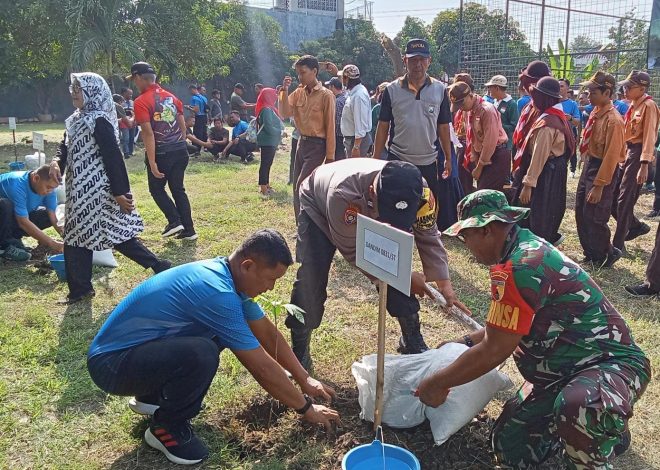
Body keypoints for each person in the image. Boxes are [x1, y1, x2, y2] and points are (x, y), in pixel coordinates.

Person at [418, 189, 651, 470]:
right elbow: (504, 328)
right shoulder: (517, 252)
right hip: (561, 372)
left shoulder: (523, 265)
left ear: (488, 230)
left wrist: (437, 383)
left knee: (578, 407)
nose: (465, 244)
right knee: (511, 447)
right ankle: (590, 423)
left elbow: (493, 351)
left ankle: (602, 426)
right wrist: (465, 340)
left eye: (466, 235)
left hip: (609, 366)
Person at [87, 229, 341, 465]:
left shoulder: (226, 277)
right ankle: (167, 428)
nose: (270, 288)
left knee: (212, 338)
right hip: (112, 366)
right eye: (270, 279)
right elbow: (260, 366)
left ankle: (151, 397)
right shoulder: (217, 293)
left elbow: (267, 333)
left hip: (134, 354)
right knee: (202, 351)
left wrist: (305, 379)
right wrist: (306, 408)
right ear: (248, 266)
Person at [287, 159, 469, 369]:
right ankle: (299, 353)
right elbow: (354, 250)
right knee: (311, 277)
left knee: (397, 266)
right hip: (318, 204)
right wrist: (403, 277)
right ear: (373, 192)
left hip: (361, 205)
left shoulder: (420, 190)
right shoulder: (343, 194)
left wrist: (444, 283)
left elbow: (428, 232)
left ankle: (411, 341)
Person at [50, 72, 171, 304]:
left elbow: (114, 158)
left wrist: (120, 193)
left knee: (115, 234)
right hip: (78, 190)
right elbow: (64, 146)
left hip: (99, 190)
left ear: (93, 92)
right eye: (73, 87)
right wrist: (57, 161)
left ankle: (159, 266)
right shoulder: (76, 119)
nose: (74, 92)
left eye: (79, 88)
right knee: (76, 236)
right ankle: (80, 290)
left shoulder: (99, 121)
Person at [373, 39, 453, 214]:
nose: (418, 64)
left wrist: (448, 157)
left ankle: (424, 240)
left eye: (422, 60)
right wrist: (376, 158)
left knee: (426, 211)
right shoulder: (392, 90)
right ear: (405, 61)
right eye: (413, 60)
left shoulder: (440, 90)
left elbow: (443, 127)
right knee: (395, 209)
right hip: (398, 159)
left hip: (429, 161)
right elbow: (383, 126)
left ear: (429, 61)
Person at [129, 62, 197, 241]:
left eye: (134, 80)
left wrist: (152, 162)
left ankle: (174, 221)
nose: (134, 84)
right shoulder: (173, 98)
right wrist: (181, 144)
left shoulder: (141, 102)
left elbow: (148, 133)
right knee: (178, 189)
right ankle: (189, 230)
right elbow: (182, 125)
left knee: (156, 189)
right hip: (180, 150)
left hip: (162, 153)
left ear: (138, 78)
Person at [509, 76, 575, 246]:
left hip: (546, 172)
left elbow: (539, 155)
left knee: (539, 211)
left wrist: (528, 184)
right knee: (548, 208)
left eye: (537, 96)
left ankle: (538, 247)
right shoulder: (554, 115)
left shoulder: (547, 124)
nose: (533, 99)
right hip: (553, 169)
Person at [575, 72, 626, 268]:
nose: (589, 95)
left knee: (595, 215)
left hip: (602, 169)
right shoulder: (596, 113)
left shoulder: (614, 120)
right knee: (581, 210)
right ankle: (590, 252)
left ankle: (606, 254)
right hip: (591, 165)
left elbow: (612, 156)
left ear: (607, 92)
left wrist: (599, 186)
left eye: (593, 91)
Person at [278, 55, 336, 222]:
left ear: (314, 71)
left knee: (302, 186)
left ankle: (310, 224)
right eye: (298, 73)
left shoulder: (326, 95)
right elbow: (284, 113)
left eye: (303, 72)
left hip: (317, 146)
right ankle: (301, 225)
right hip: (301, 144)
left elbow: (330, 127)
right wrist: (284, 90)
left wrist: (330, 157)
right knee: (297, 185)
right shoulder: (298, 93)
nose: (299, 77)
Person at [611, 71, 660, 252]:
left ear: (642, 88)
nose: (625, 90)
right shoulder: (632, 105)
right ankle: (636, 226)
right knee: (614, 197)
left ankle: (618, 244)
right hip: (628, 153)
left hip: (639, 155)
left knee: (625, 199)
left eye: (629, 87)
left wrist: (645, 164)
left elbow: (649, 136)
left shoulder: (649, 106)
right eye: (624, 86)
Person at [448, 81, 510, 192]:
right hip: (483, 156)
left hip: (496, 155)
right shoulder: (469, 111)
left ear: (470, 96)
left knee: (485, 197)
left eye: (462, 104)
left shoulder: (486, 110)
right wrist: (474, 155)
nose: (460, 108)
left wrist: (479, 168)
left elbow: (490, 142)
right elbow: (471, 136)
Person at [0, 166, 62, 261]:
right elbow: (22, 222)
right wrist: (52, 243)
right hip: (4, 214)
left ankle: (13, 240)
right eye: (48, 187)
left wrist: (69, 241)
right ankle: (4, 247)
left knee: (46, 216)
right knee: (5, 205)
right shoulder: (17, 184)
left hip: (12, 219)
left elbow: (54, 218)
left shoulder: (50, 190)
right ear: (36, 178)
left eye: (53, 188)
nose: (50, 191)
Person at [337, 64, 372, 157]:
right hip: (353, 139)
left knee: (356, 169)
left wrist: (356, 147)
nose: (342, 81)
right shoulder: (354, 92)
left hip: (357, 140)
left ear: (347, 79)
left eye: (343, 78)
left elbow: (360, 123)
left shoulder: (358, 96)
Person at [255, 88, 283, 196]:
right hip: (267, 140)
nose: (275, 97)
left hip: (270, 141)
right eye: (273, 95)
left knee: (268, 163)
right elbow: (268, 126)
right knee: (265, 164)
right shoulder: (266, 109)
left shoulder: (268, 108)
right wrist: (280, 132)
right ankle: (263, 187)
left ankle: (266, 184)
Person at [453, 73, 476, 196]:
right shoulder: (458, 103)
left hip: (469, 145)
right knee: (461, 177)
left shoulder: (471, 105)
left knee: (466, 178)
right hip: (460, 143)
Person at [486, 75, 519, 160]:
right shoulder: (494, 102)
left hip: (505, 146)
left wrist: (498, 126)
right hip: (493, 143)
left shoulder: (512, 104)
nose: (489, 90)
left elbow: (514, 126)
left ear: (497, 88)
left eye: (490, 87)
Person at [557, 79, 581, 177]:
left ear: (567, 88)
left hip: (568, 134)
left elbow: (577, 122)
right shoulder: (552, 102)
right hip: (555, 134)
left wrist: (570, 118)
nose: (559, 88)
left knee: (569, 155)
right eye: (558, 86)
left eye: (562, 86)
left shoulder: (572, 104)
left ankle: (572, 169)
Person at [325, 77, 346, 160]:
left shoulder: (336, 102)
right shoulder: (345, 98)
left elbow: (335, 122)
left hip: (337, 138)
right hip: (345, 136)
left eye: (329, 87)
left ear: (332, 87)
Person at [185, 85, 208, 150]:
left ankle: (196, 149)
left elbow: (196, 110)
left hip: (198, 117)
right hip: (204, 117)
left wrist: (188, 108)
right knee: (204, 132)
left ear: (192, 89)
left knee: (197, 133)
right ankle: (205, 147)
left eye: (190, 91)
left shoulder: (194, 98)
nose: (189, 92)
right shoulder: (204, 98)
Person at [120, 87, 136, 157]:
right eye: (129, 94)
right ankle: (126, 152)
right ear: (124, 94)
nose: (130, 96)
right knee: (126, 138)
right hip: (124, 123)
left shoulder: (132, 103)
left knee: (132, 137)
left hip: (133, 122)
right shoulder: (120, 103)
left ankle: (131, 152)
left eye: (131, 94)